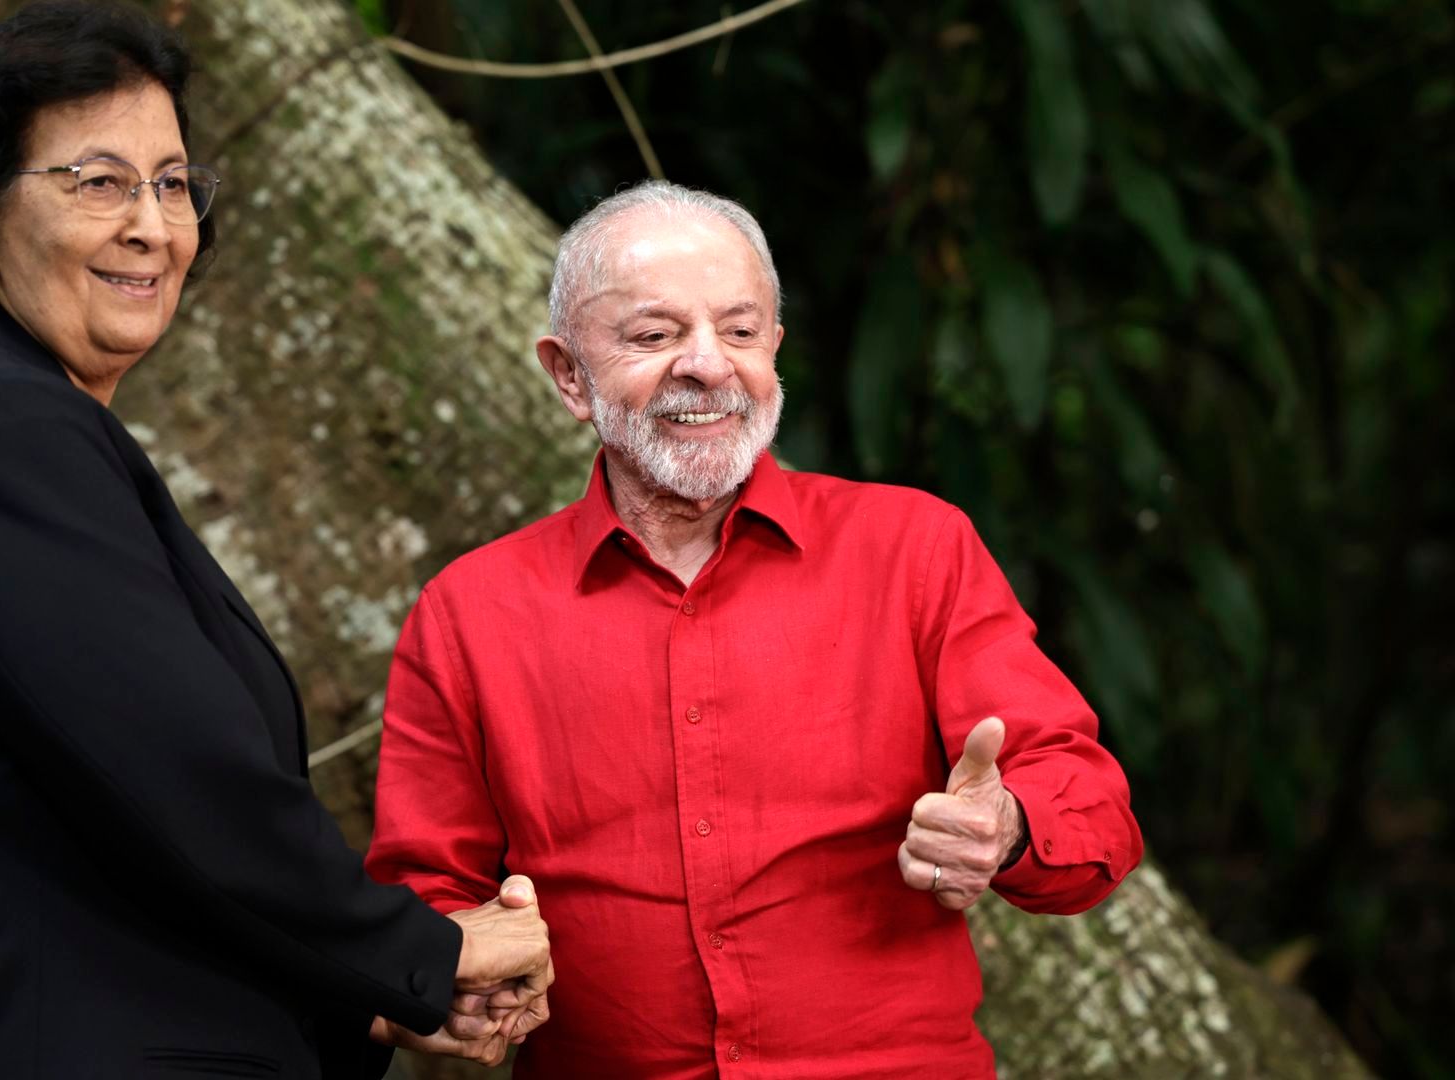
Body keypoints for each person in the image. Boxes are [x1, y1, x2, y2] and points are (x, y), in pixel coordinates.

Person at [0, 4, 548, 1076]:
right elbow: (180, 774)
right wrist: (420, 951)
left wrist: (376, 1003)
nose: (152, 225)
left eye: (172, 183)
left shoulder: (33, 419)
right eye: (99, 181)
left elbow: (117, 840)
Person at [366, 180, 1143, 1078]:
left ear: (775, 349)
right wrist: (458, 981)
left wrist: (1004, 824)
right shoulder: (470, 613)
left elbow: (1091, 805)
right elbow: (421, 901)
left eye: (739, 332)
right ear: (569, 375)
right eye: (655, 336)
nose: (708, 365)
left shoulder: (914, 548)